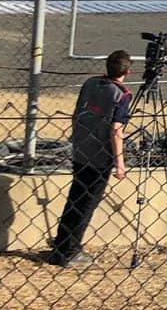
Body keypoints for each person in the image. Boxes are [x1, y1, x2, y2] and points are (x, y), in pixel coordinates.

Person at [49, 50, 133, 267]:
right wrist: (120, 163)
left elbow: (76, 115)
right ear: (128, 71)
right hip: (100, 157)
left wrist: (77, 138)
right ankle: (70, 251)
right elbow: (116, 130)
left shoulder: (90, 83)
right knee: (86, 204)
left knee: (74, 198)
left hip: (81, 149)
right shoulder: (122, 95)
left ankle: (61, 244)